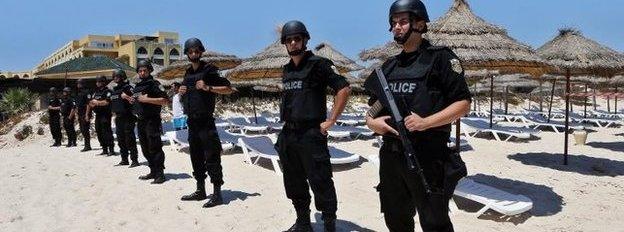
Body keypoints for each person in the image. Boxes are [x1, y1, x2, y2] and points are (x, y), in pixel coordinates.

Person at [364, 0, 471, 231]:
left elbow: (463, 104)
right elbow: (374, 107)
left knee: (434, 221)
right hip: (392, 155)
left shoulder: (440, 58)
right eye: (393, 23)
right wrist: (371, 122)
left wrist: (426, 122)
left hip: (427, 153)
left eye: (403, 21)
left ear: (420, 24)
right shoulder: (389, 67)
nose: (397, 27)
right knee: (396, 218)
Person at [275, 21, 351, 232]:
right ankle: (303, 223)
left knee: (320, 180)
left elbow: (343, 89)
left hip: (311, 133)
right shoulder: (287, 69)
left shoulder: (319, 64)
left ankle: (328, 225)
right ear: (285, 44)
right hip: (289, 133)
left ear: (305, 40)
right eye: (289, 40)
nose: (293, 42)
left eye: (297, 38)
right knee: (293, 180)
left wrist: (331, 120)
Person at [177, 38, 235, 208]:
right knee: (195, 157)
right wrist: (181, 92)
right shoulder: (187, 73)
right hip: (192, 122)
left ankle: (217, 194)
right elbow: (187, 96)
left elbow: (229, 89)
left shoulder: (209, 70)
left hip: (206, 122)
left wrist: (208, 87)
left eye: (196, 51)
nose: (193, 54)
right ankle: (200, 190)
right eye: (190, 51)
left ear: (201, 52)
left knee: (212, 156)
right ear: (187, 53)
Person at [124, 60, 169, 184]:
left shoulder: (155, 84)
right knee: (145, 147)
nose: (142, 73)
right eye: (140, 71)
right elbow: (138, 100)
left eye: (144, 70)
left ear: (149, 71)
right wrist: (133, 100)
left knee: (155, 147)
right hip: (141, 120)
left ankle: (160, 174)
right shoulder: (138, 86)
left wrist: (147, 99)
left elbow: (165, 100)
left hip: (152, 120)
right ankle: (153, 170)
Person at [111, 69, 139, 167]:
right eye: (114, 77)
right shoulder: (114, 90)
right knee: (121, 140)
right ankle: (124, 159)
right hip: (118, 118)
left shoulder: (128, 88)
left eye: (117, 76)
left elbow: (135, 100)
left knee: (129, 139)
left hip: (128, 117)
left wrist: (126, 97)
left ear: (122, 77)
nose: (116, 78)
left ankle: (134, 160)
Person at [87, 76, 116, 156]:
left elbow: (107, 102)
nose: (97, 83)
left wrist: (97, 102)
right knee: (99, 131)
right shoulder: (96, 92)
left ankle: (111, 149)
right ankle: (104, 149)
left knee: (106, 132)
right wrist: (92, 104)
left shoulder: (108, 91)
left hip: (105, 114)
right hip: (98, 114)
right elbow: (90, 101)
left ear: (103, 82)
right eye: (97, 82)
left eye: (99, 82)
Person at [75, 79, 92, 152]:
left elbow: (89, 104)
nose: (78, 85)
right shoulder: (78, 93)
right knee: (82, 129)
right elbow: (77, 104)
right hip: (80, 113)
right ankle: (86, 145)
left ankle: (87, 146)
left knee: (85, 129)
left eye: (79, 83)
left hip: (85, 113)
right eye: (77, 83)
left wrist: (87, 115)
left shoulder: (87, 92)